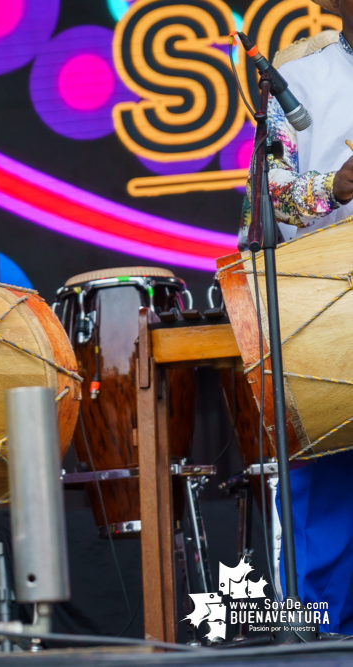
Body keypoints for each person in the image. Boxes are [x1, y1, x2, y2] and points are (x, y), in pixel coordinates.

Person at [243, 1, 353, 633]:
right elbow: (274, 194)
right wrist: (339, 185)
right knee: (325, 503)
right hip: (330, 310)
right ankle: (312, 643)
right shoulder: (297, 77)